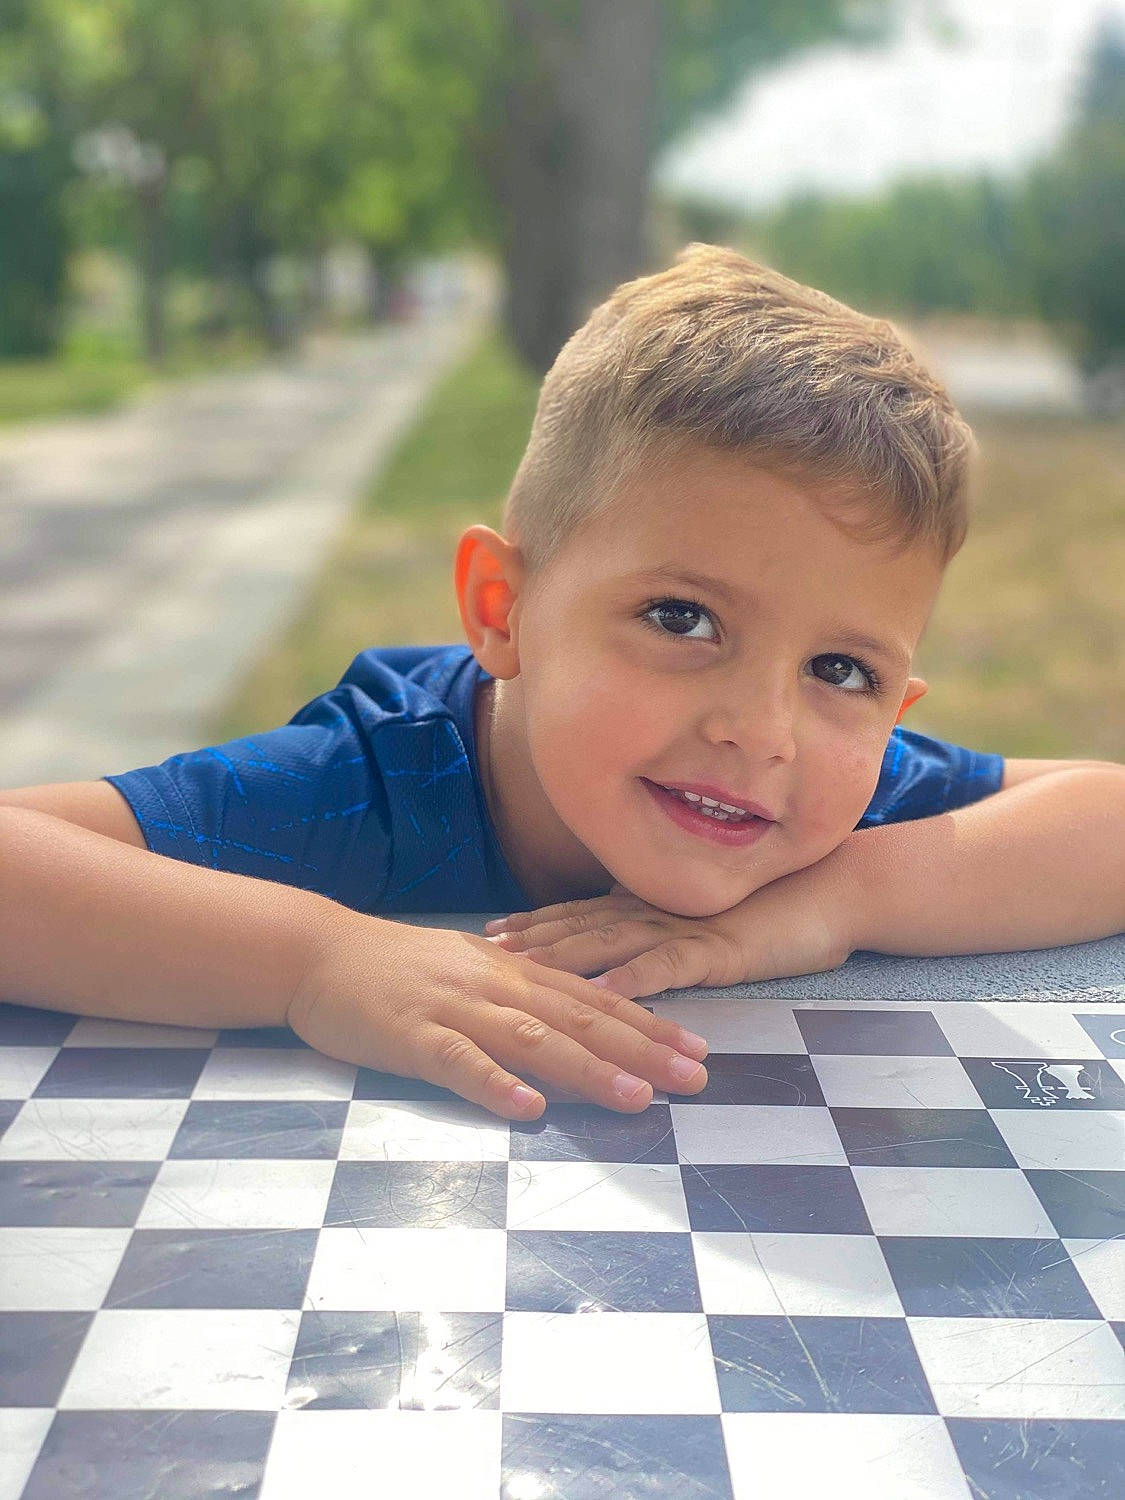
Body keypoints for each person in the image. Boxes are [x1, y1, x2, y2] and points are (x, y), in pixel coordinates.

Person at [2, 245, 1122, 1122]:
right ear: (504, 610)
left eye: (842, 670)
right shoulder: (374, 781)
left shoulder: (826, 806)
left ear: (893, 711)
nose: (762, 730)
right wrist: (320, 960)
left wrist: (839, 903)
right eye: (683, 619)